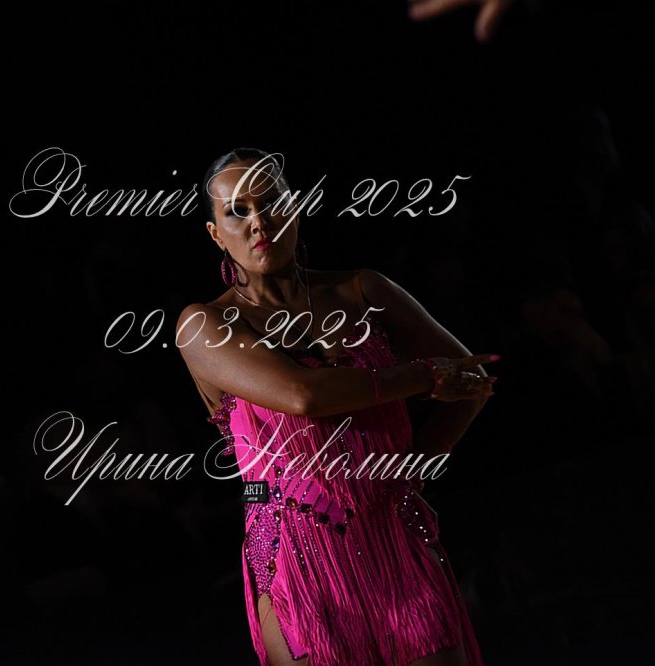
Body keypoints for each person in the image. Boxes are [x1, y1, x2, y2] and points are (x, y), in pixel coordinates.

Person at [178, 148, 498, 666]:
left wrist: (415, 467)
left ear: (295, 207)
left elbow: (473, 379)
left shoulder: (362, 290)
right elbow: (302, 396)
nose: (258, 221)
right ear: (216, 234)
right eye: (237, 211)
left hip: (393, 533)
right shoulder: (204, 325)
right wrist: (422, 376)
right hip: (296, 555)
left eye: (271, 202)